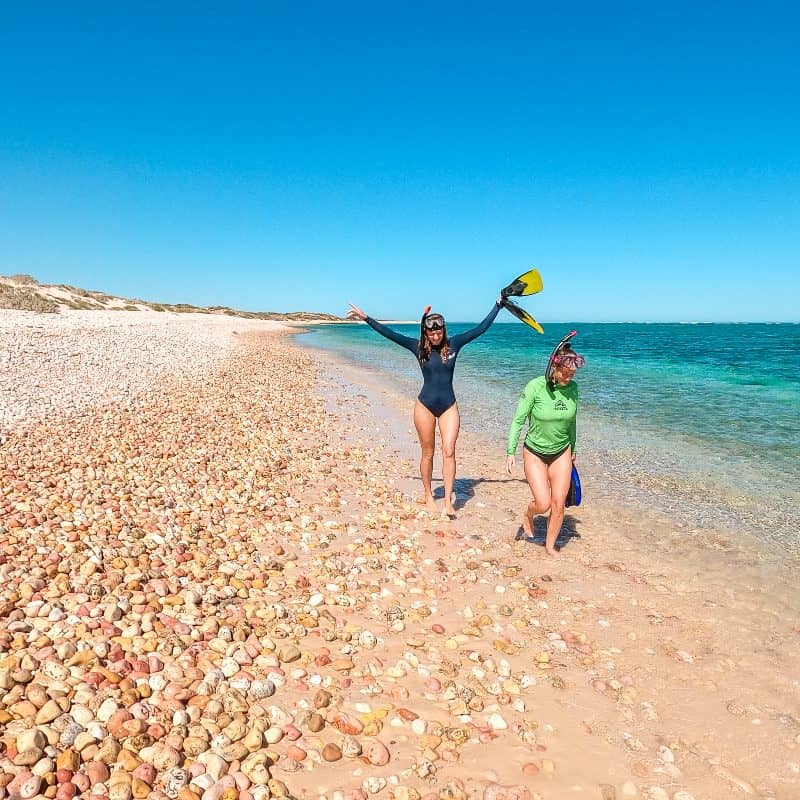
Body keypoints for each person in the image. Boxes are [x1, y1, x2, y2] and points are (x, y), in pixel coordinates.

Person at [347, 300, 503, 517]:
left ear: (443, 330)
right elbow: (390, 334)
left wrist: (498, 305)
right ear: (426, 333)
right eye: (432, 333)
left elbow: (480, 328)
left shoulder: (454, 345)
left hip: (449, 406)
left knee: (449, 451)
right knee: (428, 453)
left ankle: (448, 500)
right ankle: (429, 495)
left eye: (439, 332)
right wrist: (366, 318)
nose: (436, 336)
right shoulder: (418, 348)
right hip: (425, 406)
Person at [505, 339, 585, 554]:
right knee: (544, 504)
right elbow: (518, 419)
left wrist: (573, 449)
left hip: (562, 451)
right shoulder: (535, 386)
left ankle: (549, 547)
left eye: (572, 375)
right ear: (554, 366)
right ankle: (529, 514)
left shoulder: (573, 389)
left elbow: (572, 422)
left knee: (558, 505)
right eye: (565, 373)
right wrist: (510, 451)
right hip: (535, 452)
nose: (569, 378)